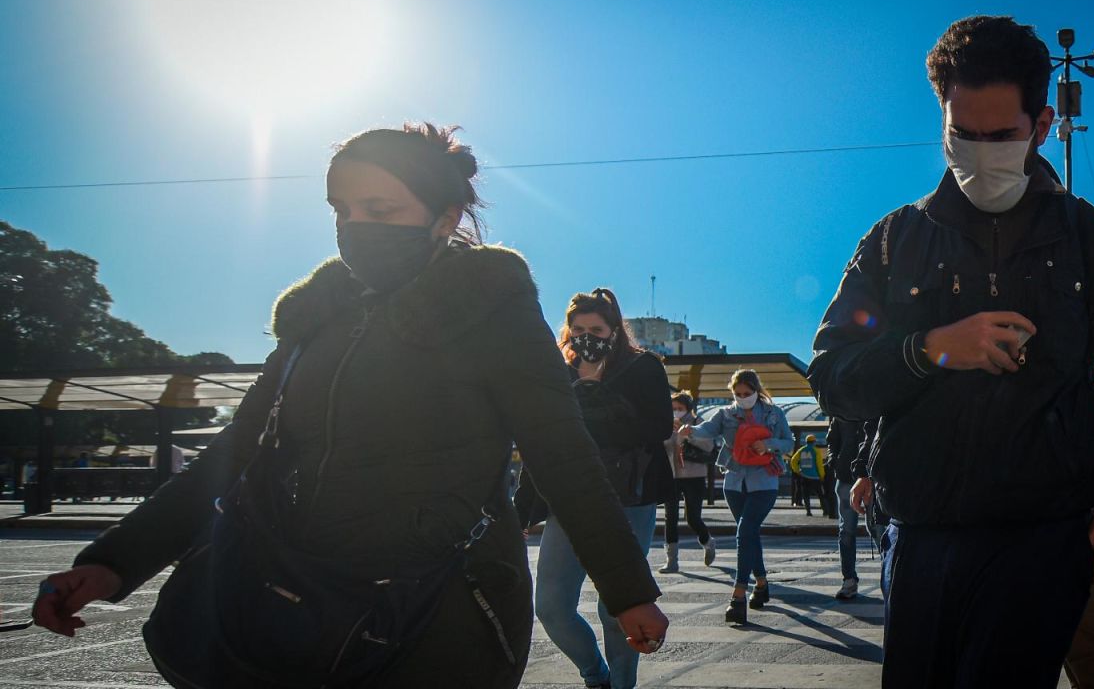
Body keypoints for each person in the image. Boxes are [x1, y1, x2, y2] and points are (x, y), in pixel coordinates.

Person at [31, 123, 668, 688]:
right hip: (276, 595)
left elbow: (562, 453)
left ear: (444, 218)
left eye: (380, 208)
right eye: (341, 208)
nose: (353, 226)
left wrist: (626, 590)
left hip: (436, 613)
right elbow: (236, 450)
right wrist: (115, 563)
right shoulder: (319, 313)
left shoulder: (492, 305)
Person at [809, 16, 1094, 687]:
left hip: (1041, 539)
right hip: (919, 535)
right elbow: (832, 375)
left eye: (1002, 136)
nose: (980, 152)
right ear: (942, 120)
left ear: (1042, 125)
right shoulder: (893, 240)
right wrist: (928, 349)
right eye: (962, 135)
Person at [528, 287, 674, 689]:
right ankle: (596, 675)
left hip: (630, 498)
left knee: (619, 606)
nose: (586, 336)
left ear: (614, 331)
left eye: (596, 328)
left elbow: (658, 427)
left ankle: (622, 684)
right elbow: (540, 439)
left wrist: (597, 398)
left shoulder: (642, 368)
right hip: (569, 500)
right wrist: (526, 506)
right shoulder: (559, 373)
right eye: (577, 329)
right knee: (552, 607)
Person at [687, 369, 793, 624]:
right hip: (734, 482)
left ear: (757, 391)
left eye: (747, 393)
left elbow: (788, 443)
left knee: (745, 531)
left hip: (764, 481)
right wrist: (686, 429)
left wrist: (769, 445)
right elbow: (706, 430)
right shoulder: (725, 414)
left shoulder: (773, 413)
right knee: (749, 534)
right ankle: (762, 583)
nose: (742, 398)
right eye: (738, 394)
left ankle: (738, 596)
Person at [659, 391, 716, 573]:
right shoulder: (668, 425)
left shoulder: (698, 424)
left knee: (692, 517)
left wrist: (688, 434)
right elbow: (664, 447)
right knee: (670, 517)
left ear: (688, 409)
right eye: (674, 408)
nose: (676, 412)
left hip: (694, 476)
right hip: (672, 476)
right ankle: (672, 560)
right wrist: (670, 433)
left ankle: (707, 541)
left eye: (680, 409)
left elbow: (708, 446)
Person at [827, 418, 864, 601]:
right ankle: (849, 579)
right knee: (846, 530)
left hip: (871, 476)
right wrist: (834, 459)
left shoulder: (877, 403)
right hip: (845, 474)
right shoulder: (840, 409)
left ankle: (889, 578)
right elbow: (832, 440)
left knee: (877, 529)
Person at [789, 434, 828, 517]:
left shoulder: (801, 450)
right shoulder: (816, 451)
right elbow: (819, 465)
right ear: (814, 442)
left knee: (806, 495)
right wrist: (822, 475)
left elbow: (793, 461)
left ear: (806, 441)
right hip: (815, 477)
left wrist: (797, 471)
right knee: (820, 495)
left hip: (804, 476)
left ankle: (808, 511)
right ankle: (825, 510)